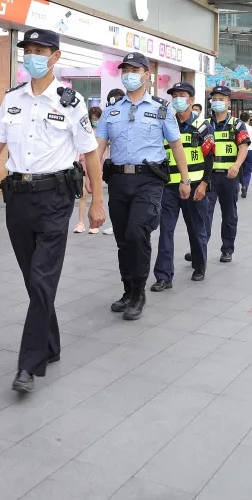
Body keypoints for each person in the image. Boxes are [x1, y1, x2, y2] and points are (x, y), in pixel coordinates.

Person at [0, 28, 104, 394]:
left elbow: (90, 152)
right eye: (29, 50)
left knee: (41, 280)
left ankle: (28, 365)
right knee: (33, 279)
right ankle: (51, 344)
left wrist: (98, 201)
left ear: (56, 57)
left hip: (55, 198)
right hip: (18, 199)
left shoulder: (71, 102)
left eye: (41, 51)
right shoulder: (13, 98)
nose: (33, 56)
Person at [97, 52, 190, 321]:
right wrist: (89, 178)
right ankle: (127, 290)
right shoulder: (111, 110)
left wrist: (185, 180)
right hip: (118, 180)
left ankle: (139, 293)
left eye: (134, 70)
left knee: (137, 233)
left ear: (146, 75)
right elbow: (99, 146)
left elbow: (176, 145)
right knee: (123, 239)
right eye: (125, 70)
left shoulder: (162, 109)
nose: (129, 75)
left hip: (148, 181)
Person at [152, 82, 213, 290]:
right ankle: (163, 276)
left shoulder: (203, 126)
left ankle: (199, 265)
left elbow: (210, 158)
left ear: (191, 100)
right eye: (174, 95)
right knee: (166, 230)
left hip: (194, 186)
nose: (177, 99)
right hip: (169, 186)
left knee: (196, 229)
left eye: (182, 95)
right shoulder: (166, 124)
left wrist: (204, 184)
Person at [205, 86, 250, 263]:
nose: (217, 102)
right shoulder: (205, 124)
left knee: (229, 214)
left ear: (228, 103)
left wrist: (237, 165)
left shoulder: (237, 124)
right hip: (208, 177)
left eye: (221, 99)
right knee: (204, 213)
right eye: (214, 99)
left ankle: (227, 249)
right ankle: (200, 248)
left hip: (229, 177)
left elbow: (243, 147)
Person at [74, 106, 103, 234]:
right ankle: (80, 222)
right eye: (93, 119)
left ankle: (95, 223)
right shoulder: (85, 129)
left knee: (96, 193)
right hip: (83, 164)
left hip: (97, 164)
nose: (95, 121)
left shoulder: (102, 131)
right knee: (83, 194)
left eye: (97, 119)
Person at [100, 89, 126, 235]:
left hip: (137, 170)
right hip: (115, 167)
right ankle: (114, 224)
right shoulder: (109, 114)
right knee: (115, 201)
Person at [240, 114, 252, 198]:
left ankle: (239, 184)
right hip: (250, 151)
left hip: (240, 151)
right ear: (248, 119)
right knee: (248, 171)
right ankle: (245, 186)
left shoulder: (237, 128)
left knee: (239, 169)